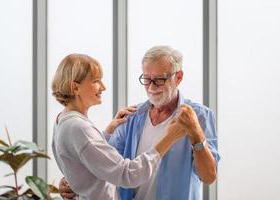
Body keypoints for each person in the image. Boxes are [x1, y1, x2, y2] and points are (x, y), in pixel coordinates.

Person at [59, 46, 220, 200]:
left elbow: (209, 177)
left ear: (178, 78)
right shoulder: (131, 118)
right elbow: (105, 164)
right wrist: (72, 180)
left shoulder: (200, 116)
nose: (151, 87)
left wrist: (196, 134)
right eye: (146, 79)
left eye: (159, 80)